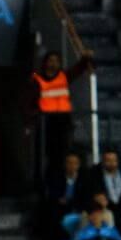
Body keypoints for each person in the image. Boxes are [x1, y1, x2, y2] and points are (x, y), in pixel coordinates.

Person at [34, 49, 94, 177]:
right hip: (46, 121)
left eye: (56, 61)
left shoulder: (64, 77)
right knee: (44, 155)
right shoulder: (37, 79)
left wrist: (85, 58)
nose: (53, 64)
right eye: (51, 61)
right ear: (45, 63)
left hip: (63, 121)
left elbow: (78, 70)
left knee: (62, 155)